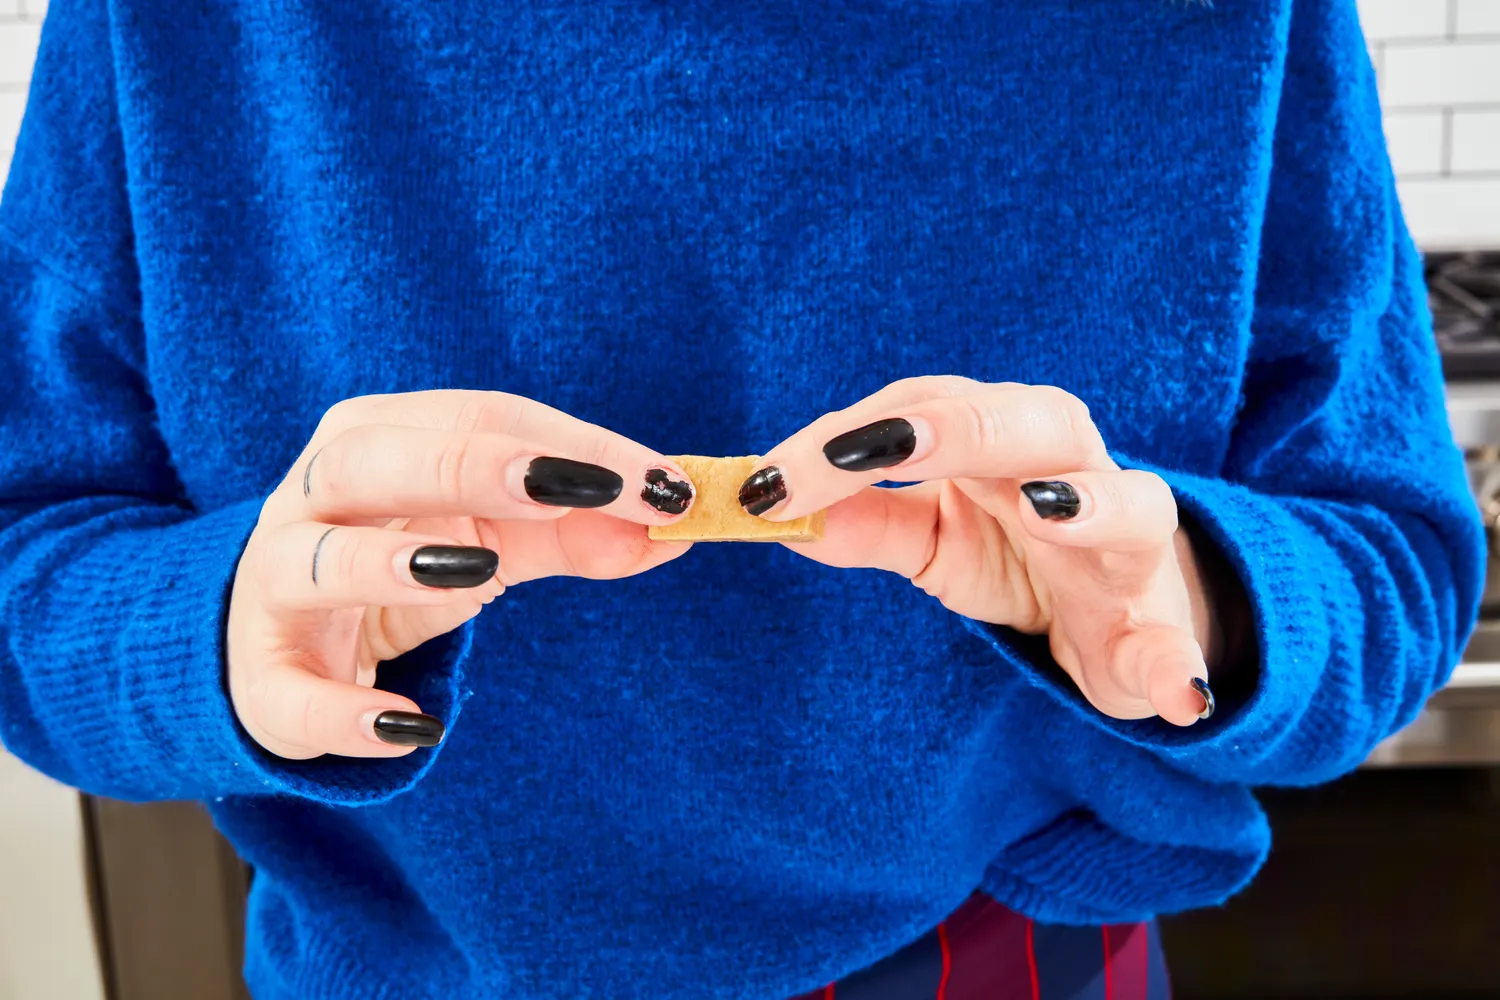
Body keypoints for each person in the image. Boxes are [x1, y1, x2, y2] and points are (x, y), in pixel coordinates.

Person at [0, 0, 1482, 997]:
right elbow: (31, 561)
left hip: (1009, 961)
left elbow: (1393, 549)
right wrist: (216, 634)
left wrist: (1205, 603)